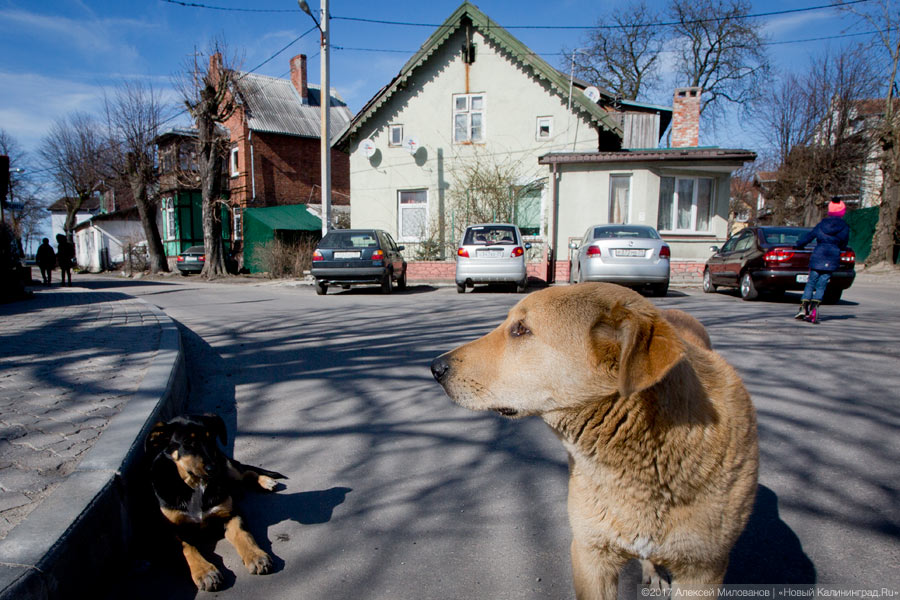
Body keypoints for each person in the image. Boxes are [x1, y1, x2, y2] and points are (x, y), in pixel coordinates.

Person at [793, 200, 850, 324]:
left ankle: (803, 307)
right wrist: (841, 248)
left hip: (818, 255)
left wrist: (799, 245)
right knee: (822, 283)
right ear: (842, 211)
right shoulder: (844, 227)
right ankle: (815, 306)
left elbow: (809, 237)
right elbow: (844, 242)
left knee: (811, 282)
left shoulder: (821, 224)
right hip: (832, 257)